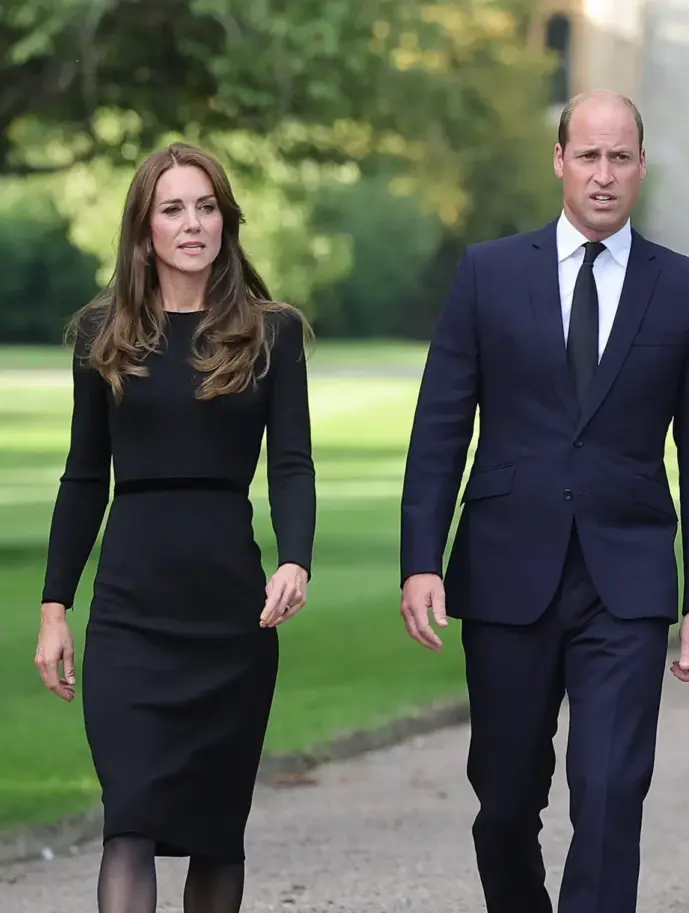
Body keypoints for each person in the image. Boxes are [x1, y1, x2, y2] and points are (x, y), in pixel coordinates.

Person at [397, 89, 689, 913]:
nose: (604, 174)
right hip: (508, 566)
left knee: (613, 791)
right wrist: (420, 561)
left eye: (621, 157)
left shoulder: (687, 289)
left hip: (627, 578)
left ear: (642, 167)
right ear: (559, 161)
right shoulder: (488, 273)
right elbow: (440, 427)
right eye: (588, 155)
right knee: (506, 800)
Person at [32, 142, 316, 913]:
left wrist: (296, 559)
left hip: (230, 610)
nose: (193, 223)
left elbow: (292, 462)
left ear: (226, 219)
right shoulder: (103, 334)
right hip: (131, 611)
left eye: (206, 206)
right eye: (173, 208)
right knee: (129, 820)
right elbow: (84, 475)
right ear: (143, 228)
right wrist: (56, 606)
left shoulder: (272, 331)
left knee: (218, 832)